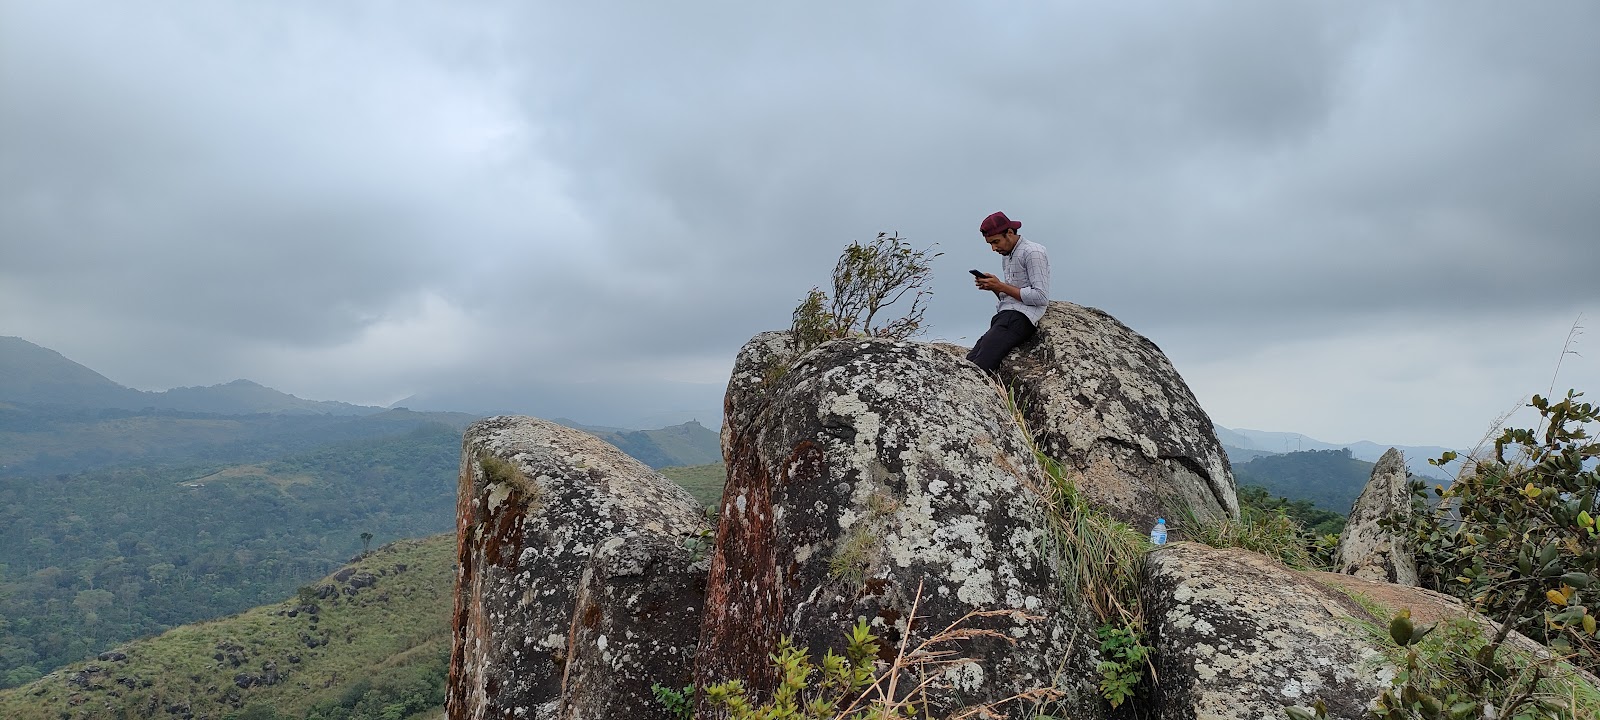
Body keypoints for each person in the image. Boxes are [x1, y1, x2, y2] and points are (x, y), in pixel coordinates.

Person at [967, 211, 1050, 373]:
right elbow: (1012, 297)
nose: (993, 248)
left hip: (1020, 318)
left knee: (980, 367)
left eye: (996, 242)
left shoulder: (1033, 252)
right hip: (1005, 316)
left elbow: (1040, 296)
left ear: (1010, 233)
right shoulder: (1007, 254)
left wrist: (1001, 286)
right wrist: (994, 288)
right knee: (970, 361)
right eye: (990, 243)